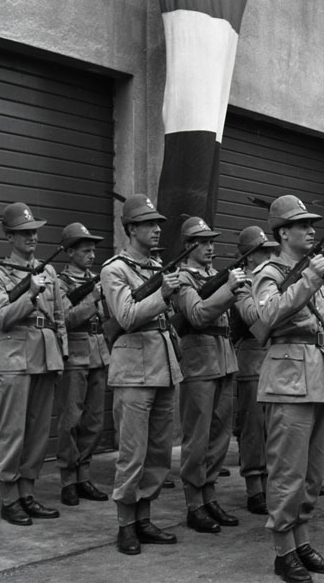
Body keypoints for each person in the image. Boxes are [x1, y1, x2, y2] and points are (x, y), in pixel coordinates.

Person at [252, 195, 324, 583]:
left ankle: (301, 542)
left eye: (311, 225)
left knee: (311, 473)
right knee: (287, 472)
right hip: (287, 377)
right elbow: (268, 314)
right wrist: (310, 280)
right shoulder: (269, 271)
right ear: (283, 233)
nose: (310, 231)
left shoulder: (310, 270)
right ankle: (283, 551)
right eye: (302, 225)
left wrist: (311, 277)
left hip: (317, 372)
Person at [100, 194, 181, 555]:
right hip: (133, 370)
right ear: (131, 229)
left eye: (157, 223)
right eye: (148, 224)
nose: (156, 229)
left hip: (163, 366)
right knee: (132, 453)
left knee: (159, 453)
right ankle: (125, 525)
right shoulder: (114, 269)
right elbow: (127, 316)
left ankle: (144, 518)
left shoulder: (156, 266)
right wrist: (163, 294)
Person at [0, 202, 67, 525]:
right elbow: (1, 317)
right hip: (14, 357)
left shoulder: (49, 271)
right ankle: (9, 498)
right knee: (12, 431)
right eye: (23, 233)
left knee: (38, 431)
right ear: (8, 236)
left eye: (34, 231)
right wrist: (29, 295)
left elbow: (58, 316)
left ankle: (28, 494)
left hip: (45, 354)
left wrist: (62, 352)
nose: (32, 237)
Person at [173, 216, 247, 533]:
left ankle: (209, 494)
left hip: (224, 360)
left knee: (220, 434)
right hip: (199, 362)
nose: (209, 247)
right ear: (188, 245)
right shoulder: (182, 279)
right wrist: (228, 289)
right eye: (202, 242)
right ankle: (194, 502)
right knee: (198, 436)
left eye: (211, 242)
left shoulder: (215, 276)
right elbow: (198, 315)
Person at [56, 222, 110, 506]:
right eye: (85, 251)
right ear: (70, 252)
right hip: (75, 355)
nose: (91, 255)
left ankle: (84, 475)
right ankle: (68, 479)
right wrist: (92, 300)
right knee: (71, 420)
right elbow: (65, 319)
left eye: (92, 251)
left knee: (94, 420)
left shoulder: (96, 280)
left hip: (98, 353)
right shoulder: (61, 283)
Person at [231, 226, 279, 515]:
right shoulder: (243, 284)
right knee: (252, 428)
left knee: (274, 429)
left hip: (274, 361)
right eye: (263, 252)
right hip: (251, 360)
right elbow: (255, 320)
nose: (270, 256)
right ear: (249, 257)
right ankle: (254, 487)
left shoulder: (271, 280)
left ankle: (271, 482)